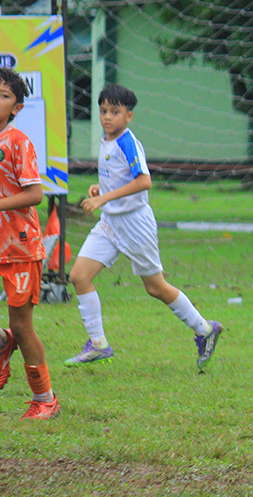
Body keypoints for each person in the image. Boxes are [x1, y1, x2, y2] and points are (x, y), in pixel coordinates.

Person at [64, 84, 223, 368]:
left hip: (135, 224)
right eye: (103, 110)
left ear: (129, 116)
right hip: (110, 223)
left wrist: (104, 197)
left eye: (115, 111)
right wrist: (101, 188)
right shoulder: (107, 140)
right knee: (79, 276)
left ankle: (205, 329)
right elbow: (120, 176)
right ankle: (98, 344)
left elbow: (143, 181)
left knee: (155, 287)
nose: (107, 116)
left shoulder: (127, 142)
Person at [0, 68, 60, 420]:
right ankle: (2, 341)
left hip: (19, 246)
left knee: (23, 327)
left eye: (4, 95)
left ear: (17, 107)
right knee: (14, 331)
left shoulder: (17, 141)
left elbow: (35, 194)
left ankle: (44, 399)